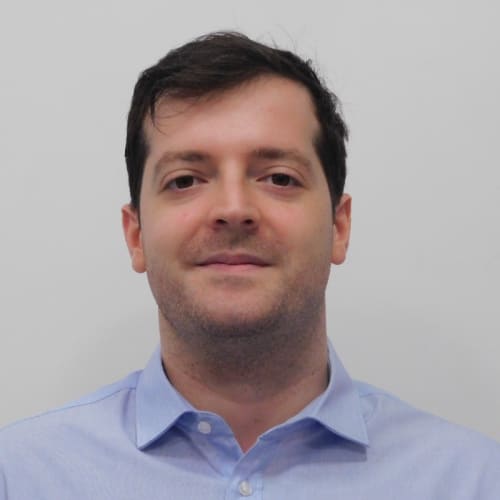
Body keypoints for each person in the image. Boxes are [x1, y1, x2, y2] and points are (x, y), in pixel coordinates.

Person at [0, 31, 499, 499]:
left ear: (339, 226)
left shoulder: (472, 480)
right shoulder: (20, 476)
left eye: (279, 178)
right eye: (185, 180)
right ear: (136, 236)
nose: (233, 209)